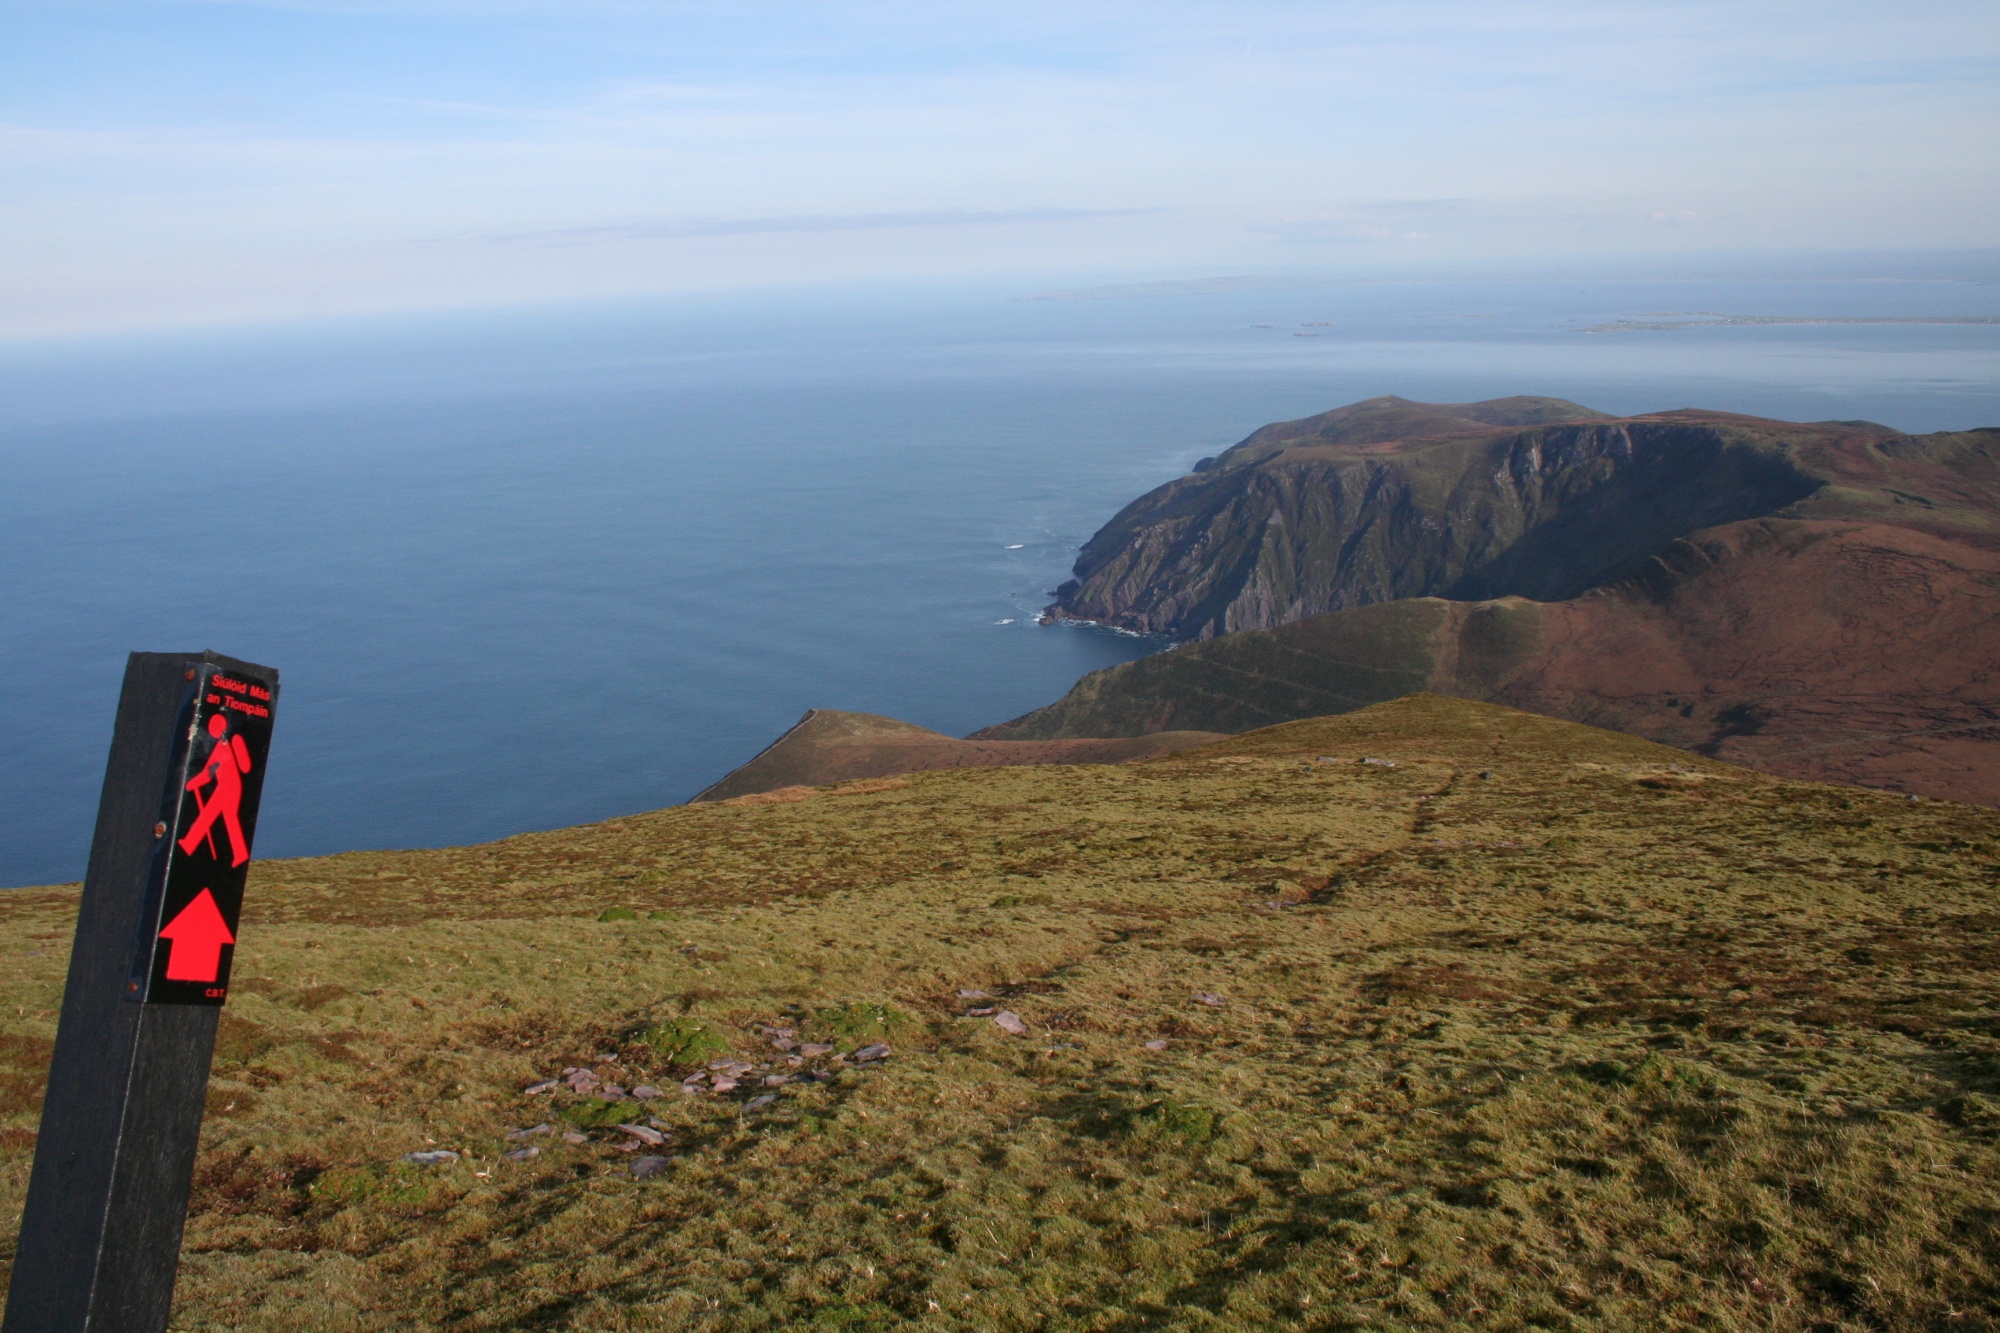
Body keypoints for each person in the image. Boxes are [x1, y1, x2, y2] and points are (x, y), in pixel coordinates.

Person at [179, 713, 252, 867]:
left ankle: (190, 844)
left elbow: (207, 774)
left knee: (216, 817)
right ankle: (239, 853)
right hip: (229, 787)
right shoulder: (223, 746)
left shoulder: (220, 750)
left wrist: (190, 784)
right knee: (221, 818)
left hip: (228, 789)